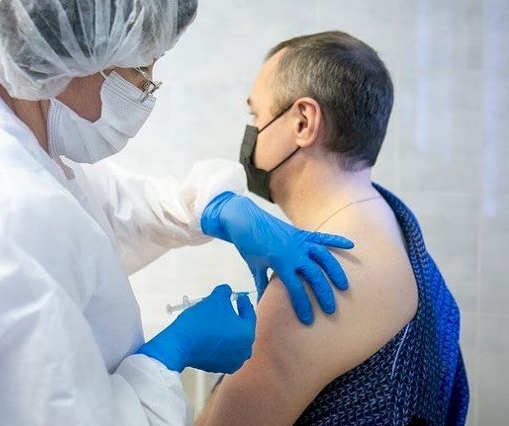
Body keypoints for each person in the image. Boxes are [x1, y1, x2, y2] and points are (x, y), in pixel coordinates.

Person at [0, 2, 355, 425]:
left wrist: (210, 207)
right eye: (142, 68)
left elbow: (93, 210)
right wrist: (171, 355)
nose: (146, 89)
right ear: (66, 55)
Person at [196, 31, 468, 426]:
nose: (252, 132)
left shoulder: (313, 277)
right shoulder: (391, 219)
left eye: (256, 116)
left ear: (303, 122)